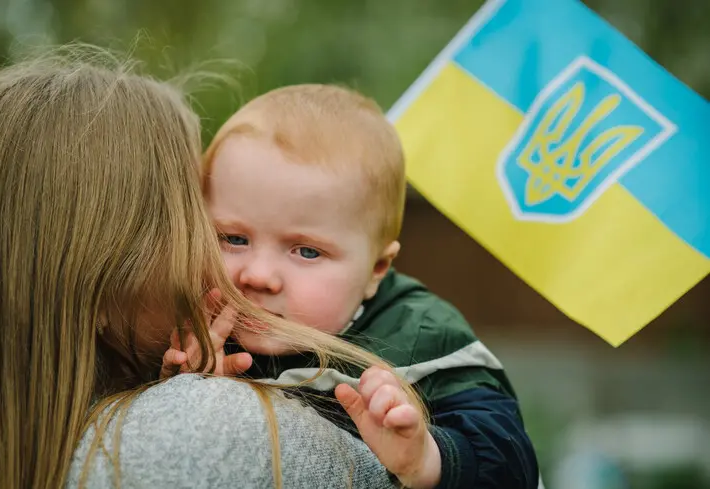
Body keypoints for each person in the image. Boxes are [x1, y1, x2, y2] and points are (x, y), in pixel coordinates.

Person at [0, 48, 426, 489]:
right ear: (100, 276)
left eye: (306, 250)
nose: (249, 275)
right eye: (223, 234)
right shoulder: (196, 428)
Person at [168, 84, 540, 488]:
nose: (257, 275)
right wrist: (181, 384)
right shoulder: (194, 322)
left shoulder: (417, 335)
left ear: (376, 269)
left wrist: (426, 459)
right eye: (233, 239)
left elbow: (510, 463)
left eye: (306, 252)